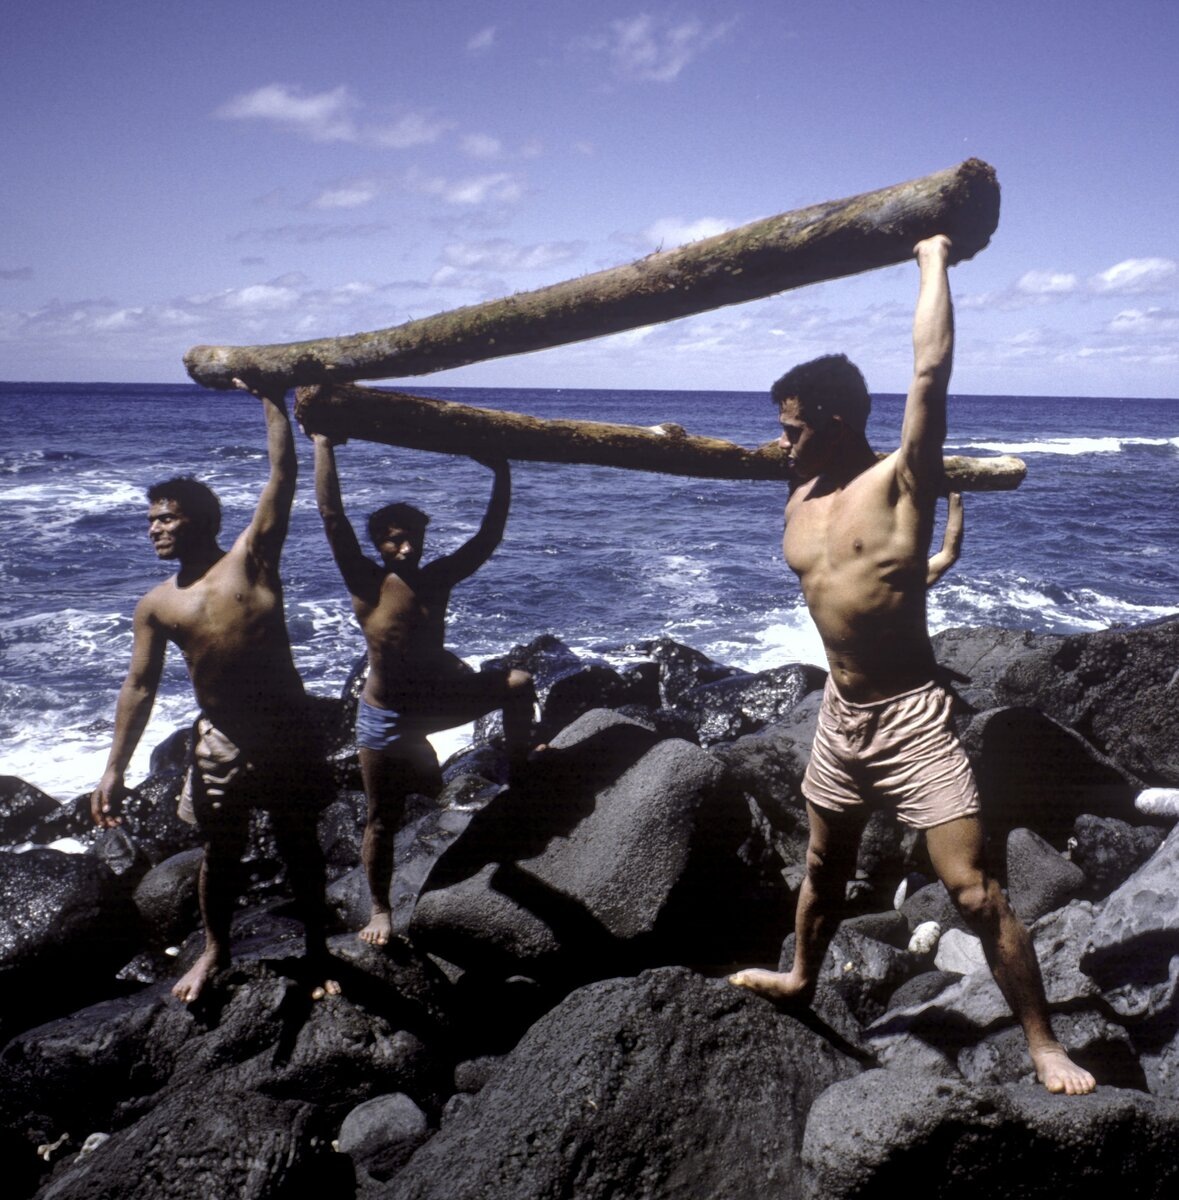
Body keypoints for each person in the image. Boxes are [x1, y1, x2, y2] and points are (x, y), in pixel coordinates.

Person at [729, 236, 1095, 1096]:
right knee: (822, 869)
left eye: (789, 430)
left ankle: (1042, 1042)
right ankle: (800, 978)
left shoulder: (901, 481)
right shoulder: (799, 491)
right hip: (838, 717)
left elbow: (927, 373)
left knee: (971, 891)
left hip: (912, 719)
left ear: (831, 421)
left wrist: (930, 257)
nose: (778, 445)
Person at [92, 380, 338, 1004]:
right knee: (220, 853)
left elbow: (280, 475)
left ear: (198, 520)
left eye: (166, 517)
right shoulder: (157, 604)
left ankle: (318, 951)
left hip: (286, 727)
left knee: (299, 843)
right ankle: (215, 950)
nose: (155, 529)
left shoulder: (251, 560)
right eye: (150, 520)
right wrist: (114, 767)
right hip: (221, 740)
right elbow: (140, 685)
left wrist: (269, 397)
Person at [312, 432, 536, 947]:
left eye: (413, 536)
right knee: (380, 820)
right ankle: (381, 908)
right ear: (379, 543)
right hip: (386, 718)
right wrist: (324, 443)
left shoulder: (437, 579)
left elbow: (488, 538)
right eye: (395, 538)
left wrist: (501, 471)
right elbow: (331, 517)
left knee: (519, 683)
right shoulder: (366, 581)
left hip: (439, 704)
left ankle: (523, 771)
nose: (407, 546)